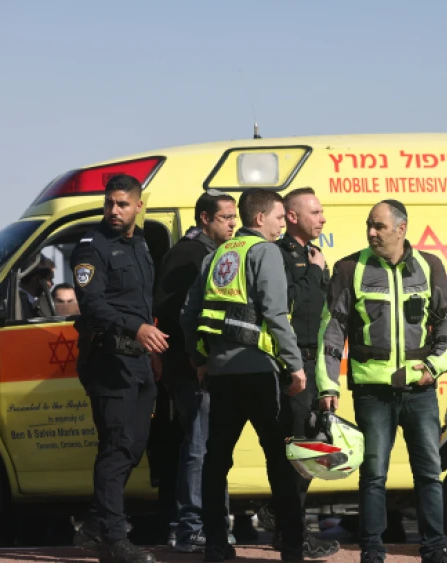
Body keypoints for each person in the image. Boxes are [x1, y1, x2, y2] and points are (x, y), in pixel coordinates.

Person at [316, 199, 447, 563]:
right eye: (369, 225)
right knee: (374, 475)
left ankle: (434, 549)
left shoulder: (430, 266)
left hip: (419, 391)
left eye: (378, 226)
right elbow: (330, 332)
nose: (371, 232)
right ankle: (372, 551)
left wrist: (435, 366)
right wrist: (328, 385)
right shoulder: (351, 267)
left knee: (429, 472)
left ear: (401, 228)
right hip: (372, 392)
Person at [181, 187, 309, 563]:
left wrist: (198, 358)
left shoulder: (217, 253)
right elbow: (275, 314)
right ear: (259, 219)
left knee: (216, 460)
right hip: (259, 373)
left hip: (220, 375)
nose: (283, 223)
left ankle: (216, 545)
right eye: (279, 216)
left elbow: (189, 314)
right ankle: (292, 547)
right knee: (278, 460)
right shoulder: (265, 252)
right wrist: (295, 365)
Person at [70, 174, 168, 563]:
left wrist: (151, 345)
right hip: (109, 359)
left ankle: (96, 523)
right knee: (115, 447)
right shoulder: (92, 248)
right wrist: (136, 329)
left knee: (134, 445)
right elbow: (91, 303)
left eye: (123, 204)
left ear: (138, 206)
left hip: (140, 361)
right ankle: (112, 539)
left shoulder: (141, 243)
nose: (114, 210)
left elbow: (143, 303)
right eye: (110, 203)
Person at [255, 187, 339, 558]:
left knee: (308, 448)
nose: (322, 218)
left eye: (322, 212)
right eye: (315, 212)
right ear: (291, 216)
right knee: (299, 450)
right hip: (291, 364)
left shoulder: (312, 254)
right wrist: (316, 273)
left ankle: (283, 522)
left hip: (314, 360)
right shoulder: (281, 254)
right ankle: (290, 532)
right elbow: (285, 305)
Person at [153, 190, 238, 553]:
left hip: (209, 367)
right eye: (226, 218)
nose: (234, 224)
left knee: (210, 447)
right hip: (192, 369)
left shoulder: (215, 253)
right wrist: (196, 357)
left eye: (235, 218)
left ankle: (209, 521)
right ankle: (191, 525)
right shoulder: (187, 255)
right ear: (205, 219)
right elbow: (172, 311)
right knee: (199, 447)